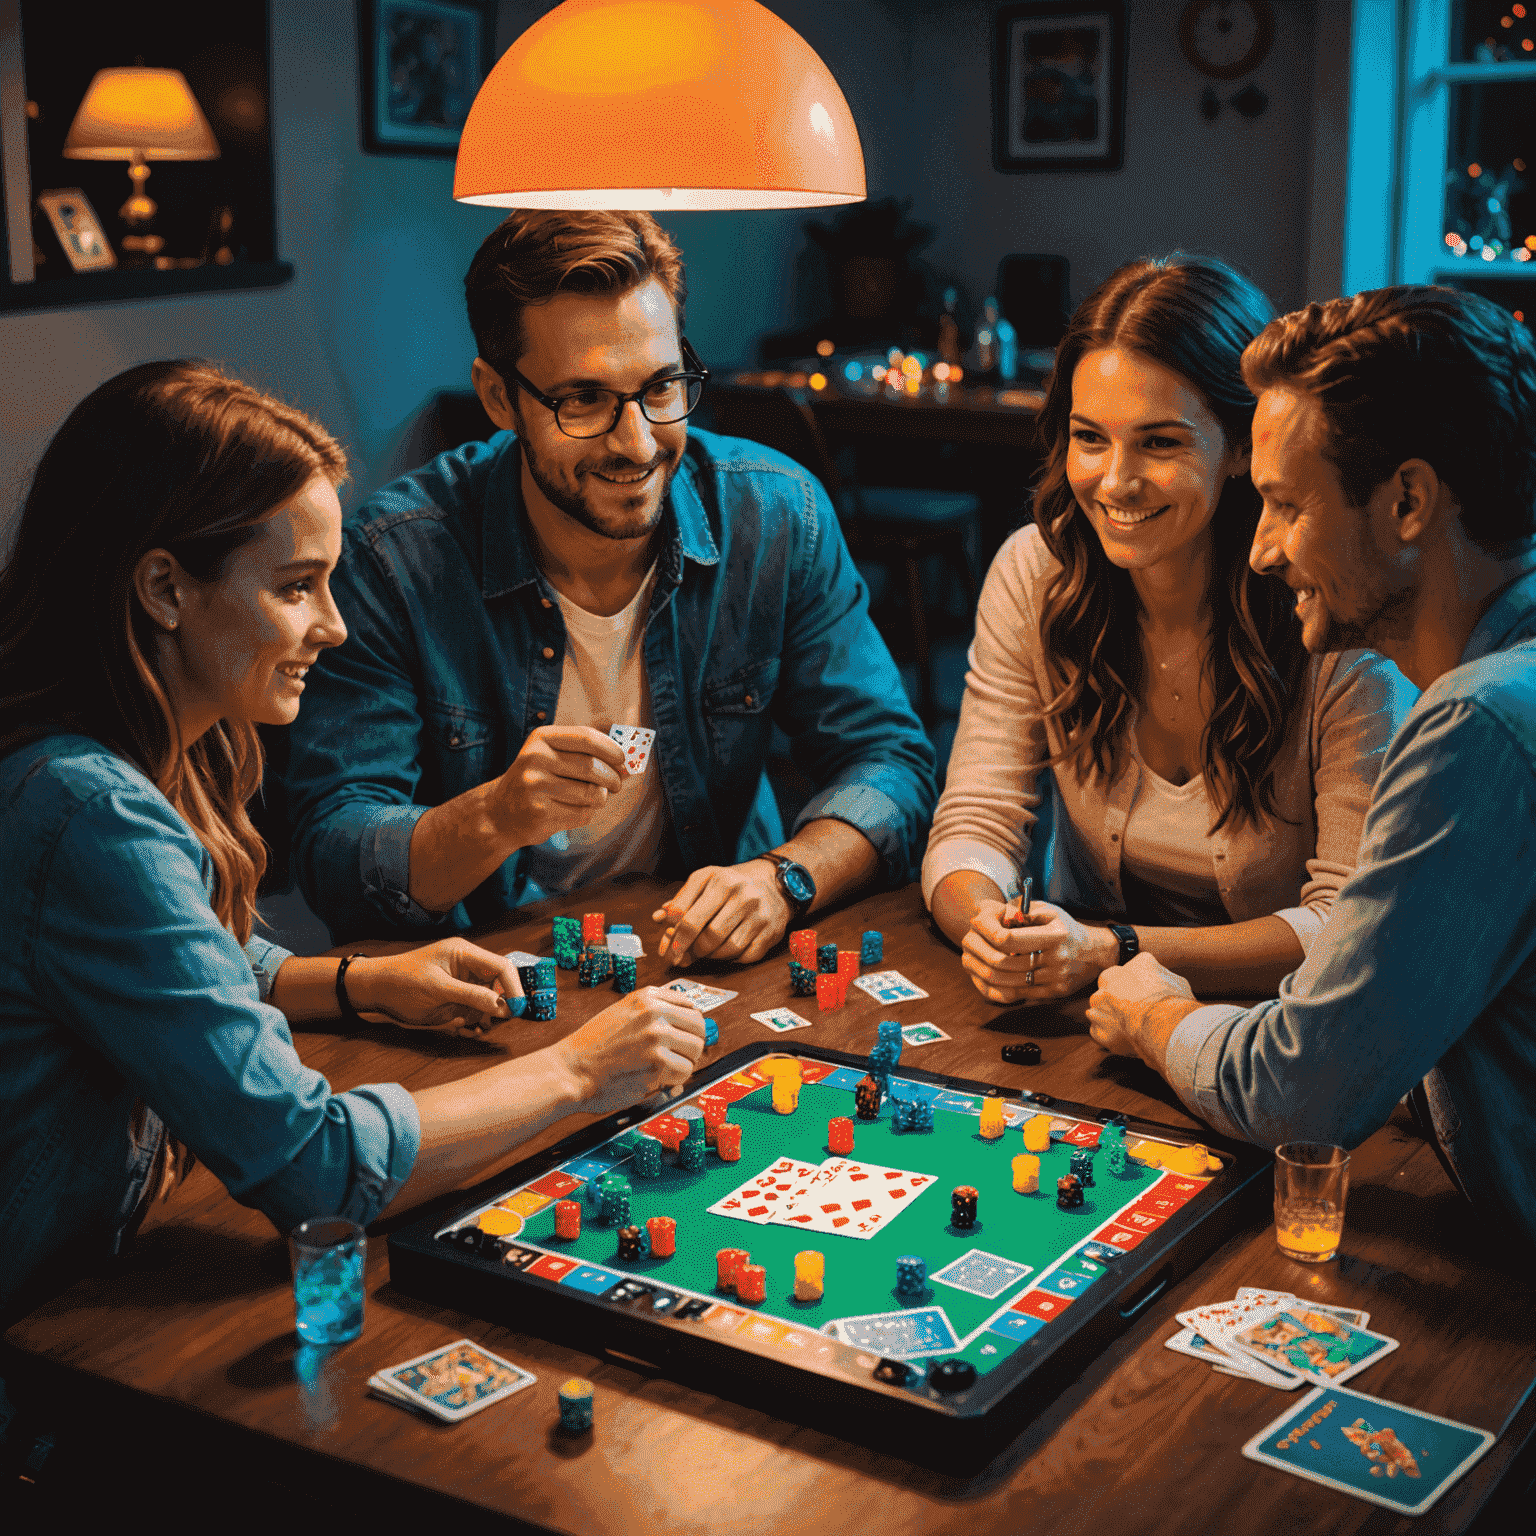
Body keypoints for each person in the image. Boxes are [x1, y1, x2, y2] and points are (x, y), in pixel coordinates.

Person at [0, 361, 707, 1326]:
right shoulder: (86, 809)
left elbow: (180, 951)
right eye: (297, 588)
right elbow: (313, 1166)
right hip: (51, 1344)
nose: (332, 628)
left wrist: (355, 980)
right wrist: (578, 1072)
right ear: (164, 587)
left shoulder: (150, 751)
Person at [272, 209, 936, 960]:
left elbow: (892, 763)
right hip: (483, 977)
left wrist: (784, 879)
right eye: (582, 400)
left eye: (660, 387)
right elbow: (333, 856)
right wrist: (494, 815)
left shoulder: (776, 514)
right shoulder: (395, 560)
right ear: (498, 398)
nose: (638, 442)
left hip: (701, 972)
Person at [1086, 286, 1536, 1243]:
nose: (1259, 551)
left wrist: (1157, 1013)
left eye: (1287, 505)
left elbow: (1301, 1089)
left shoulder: (1480, 722)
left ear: (1407, 501)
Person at [924, 255, 1414, 1004]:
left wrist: (1112, 950)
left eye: (1160, 443)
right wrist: (990, 926)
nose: (1115, 481)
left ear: (1246, 447)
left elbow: (1346, 927)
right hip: (1087, 1014)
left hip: (1281, 1034)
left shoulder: (1334, 611)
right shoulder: (1035, 573)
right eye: (1091, 438)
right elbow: (974, 820)